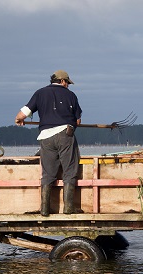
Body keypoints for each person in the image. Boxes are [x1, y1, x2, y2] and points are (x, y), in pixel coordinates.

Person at [15, 70, 83, 216]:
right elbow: (78, 120)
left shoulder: (39, 93)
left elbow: (22, 113)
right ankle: (68, 208)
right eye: (68, 83)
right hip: (65, 134)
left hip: (46, 136)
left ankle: (45, 209)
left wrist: (19, 119)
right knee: (70, 170)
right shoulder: (71, 95)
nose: (68, 86)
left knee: (48, 172)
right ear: (63, 81)